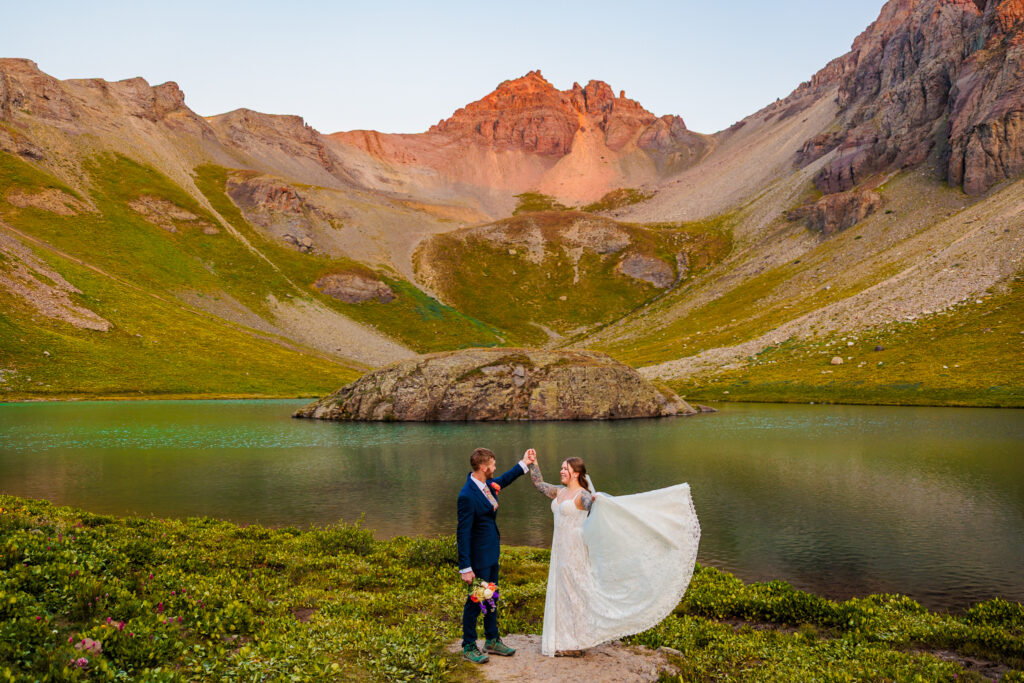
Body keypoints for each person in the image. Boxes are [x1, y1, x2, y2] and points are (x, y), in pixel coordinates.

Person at [524, 449, 700, 657]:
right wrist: (532, 464)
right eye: (562, 468)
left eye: (565, 468)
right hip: (560, 551)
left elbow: (594, 507)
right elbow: (539, 484)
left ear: (576, 473)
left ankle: (577, 642)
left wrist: (598, 501)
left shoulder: (583, 496)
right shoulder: (559, 492)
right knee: (562, 592)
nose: (561, 471)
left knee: (577, 593)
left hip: (576, 551)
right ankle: (563, 640)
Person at [456, 446, 530, 664]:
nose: (495, 467)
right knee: (475, 600)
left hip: (491, 555)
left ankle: (491, 640)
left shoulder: (486, 485)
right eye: (492, 464)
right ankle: (469, 645)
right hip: (478, 559)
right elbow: (463, 533)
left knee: (491, 599)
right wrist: (465, 567)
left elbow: (504, 479)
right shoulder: (467, 496)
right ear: (482, 466)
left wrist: (525, 463)